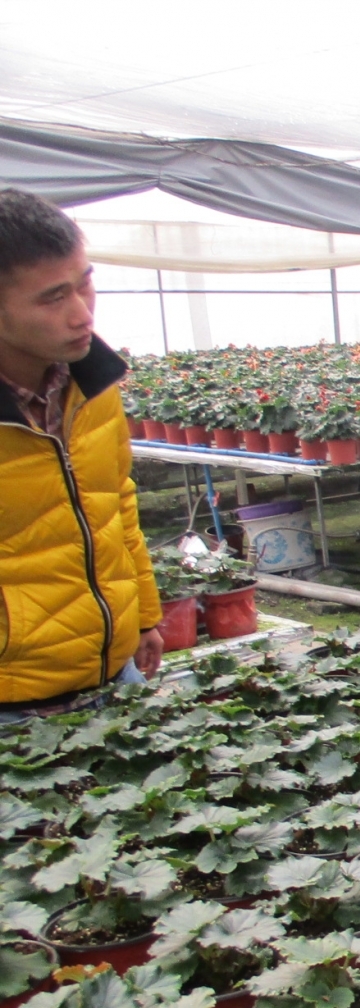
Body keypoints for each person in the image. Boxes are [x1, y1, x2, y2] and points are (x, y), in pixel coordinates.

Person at [0, 189, 162, 721]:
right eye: (53, 298)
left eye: (85, 284)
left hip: (115, 675)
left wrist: (142, 616)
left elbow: (115, 501)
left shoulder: (92, 384)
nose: (82, 314)